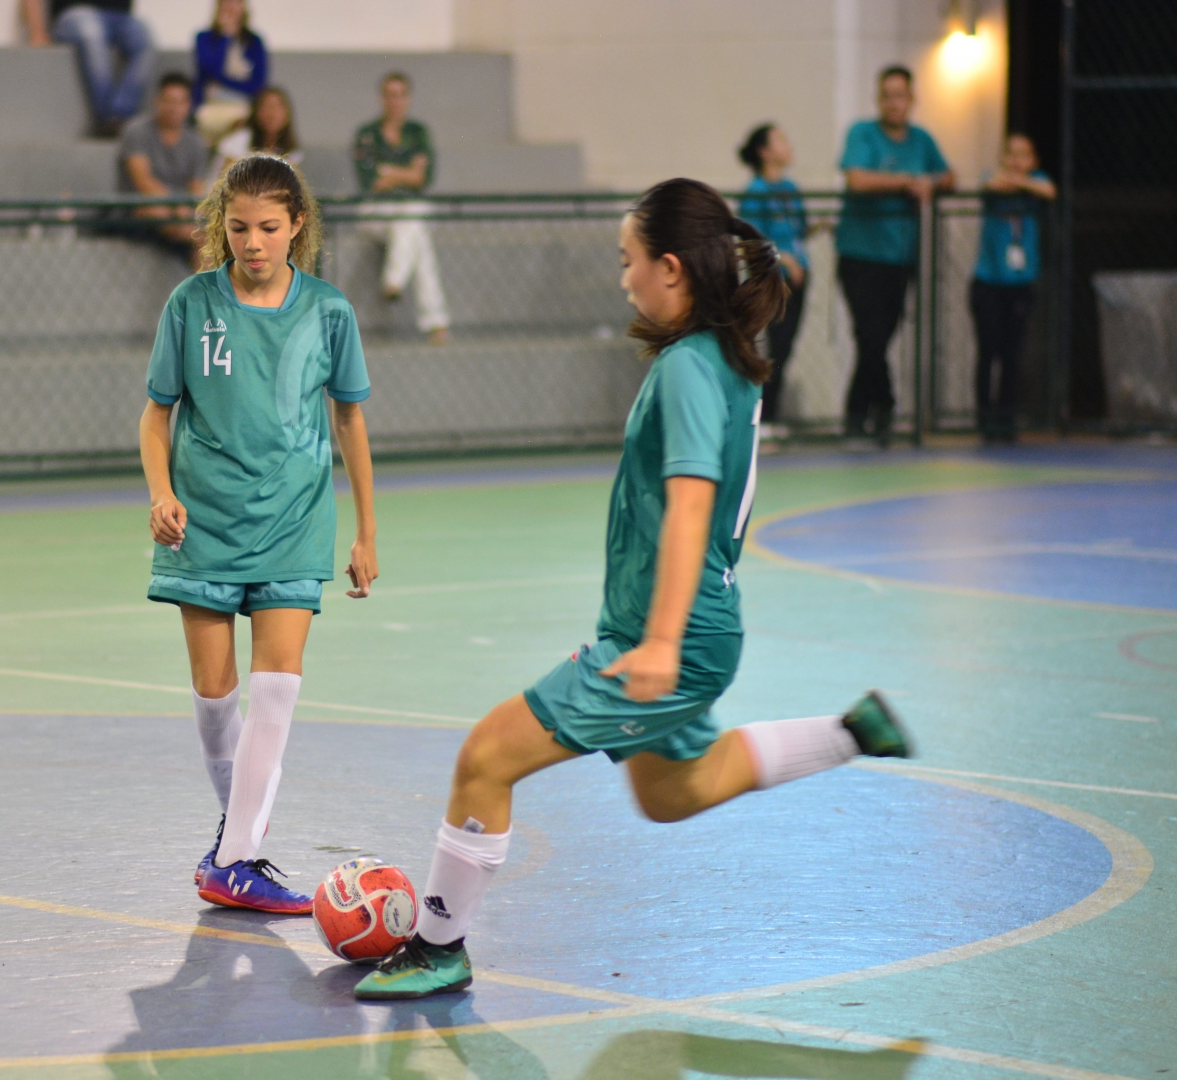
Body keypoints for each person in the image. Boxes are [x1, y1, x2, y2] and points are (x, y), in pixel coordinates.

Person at [353, 179, 913, 1001]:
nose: (624, 279)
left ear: (673, 270)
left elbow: (692, 505)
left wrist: (658, 639)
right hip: (701, 626)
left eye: (630, 262)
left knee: (486, 758)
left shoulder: (691, 368)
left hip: (671, 635)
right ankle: (847, 732)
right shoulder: (725, 360)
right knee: (671, 792)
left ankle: (439, 945)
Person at [139, 155, 378, 914]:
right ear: (221, 227)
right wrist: (161, 491)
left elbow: (349, 419)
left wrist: (367, 531)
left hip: (294, 519)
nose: (253, 242)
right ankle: (237, 846)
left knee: (278, 688)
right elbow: (156, 414)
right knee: (217, 696)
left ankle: (234, 856)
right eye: (238, 227)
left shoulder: (329, 313)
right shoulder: (190, 303)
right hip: (203, 521)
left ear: (297, 226)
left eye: (269, 228)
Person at [835, 66, 953, 446]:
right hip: (859, 254)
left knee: (881, 337)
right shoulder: (862, 134)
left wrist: (931, 183)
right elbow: (857, 178)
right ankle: (871, 410)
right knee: (868, 334)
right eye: (886, 95)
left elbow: (949, 175)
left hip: (900, 257)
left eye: (900, 95)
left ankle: (874, 412)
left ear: (911, 100)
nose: (893, 102)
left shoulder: (921, 140)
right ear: (878, 100)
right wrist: (907, 182)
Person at [352, 72, 451, 345]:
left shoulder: (418, 132)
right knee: (414, 224)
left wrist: (389, 171)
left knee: (414, 226)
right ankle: (433, 319)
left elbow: (424, 178)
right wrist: (406, 172)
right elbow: (370, 181)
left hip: (408, 208)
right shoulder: (367, 135)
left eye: (400, 95)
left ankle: (396, 283)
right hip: (376, 211)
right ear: (381, 98)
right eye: (389, 95)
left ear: (408, 98)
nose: (395, 101)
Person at [970, 133, 1054, 444]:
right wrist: (1016, 181)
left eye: (1024, 155)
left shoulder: (1038, 182)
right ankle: (985, 420)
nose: (1017, 161)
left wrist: (1024, 182)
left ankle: (1006, 420)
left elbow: (1048, 190)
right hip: (988, 281)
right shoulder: (991, 178)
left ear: (1033, 161)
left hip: (1020, 284)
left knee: (1012, 354)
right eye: (1010, 154)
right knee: (987, 352)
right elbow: (992, 184)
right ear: (1002, 157)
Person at [737, 123, 808, 437]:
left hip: (798, 279)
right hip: (773, 281)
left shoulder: (790, 189)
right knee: (774, 347)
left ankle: (773, 417)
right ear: (764, 152)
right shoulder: (756, 192)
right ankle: (763, 419)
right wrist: (782, 258)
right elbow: (751, 240)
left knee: (786, 348)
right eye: (780, 140)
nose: (788, 145)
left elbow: (799, 229)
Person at [22, 0, 154, 137]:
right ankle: (107, 121)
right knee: (92, 34)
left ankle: (120, 117)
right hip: (75, 13)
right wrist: (37, 32)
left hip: (120, 16)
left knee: (144, 41)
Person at [118, 73, 210, 266]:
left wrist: (188, 212)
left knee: (209, 238)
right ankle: (198, 236)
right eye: (168, 101)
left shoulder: (196, 142)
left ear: (188, 105)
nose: (173, 108)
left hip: (182, 217)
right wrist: (176, 206)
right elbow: (142, 181)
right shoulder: (136, 131)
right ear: (157, 101)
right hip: (137, 211)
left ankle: (207, 294)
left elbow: (196, 188)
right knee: (155, 210)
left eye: (179, 102)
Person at [192, 0, 268, 146]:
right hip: (209, 107)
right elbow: (211, 68)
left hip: (242, 109)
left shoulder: (254, 42)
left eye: (236, 2)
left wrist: (221, 80)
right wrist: (225, 37)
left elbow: (257, 85)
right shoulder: (204, 38)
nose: (231, 6)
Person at [211, 86, 301, 178]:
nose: (272, 114)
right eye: (267, 107)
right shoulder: (238, 140)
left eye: (277, 107)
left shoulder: (292, 150)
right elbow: (227, 182)